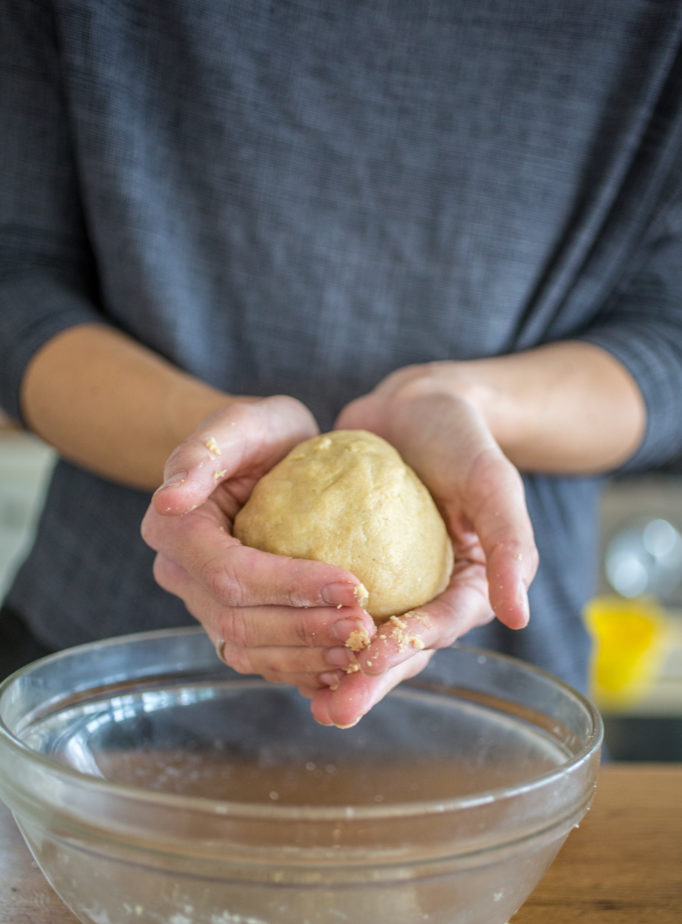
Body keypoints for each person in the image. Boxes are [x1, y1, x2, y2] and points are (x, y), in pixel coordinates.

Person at [1, 2, 681, 728]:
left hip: (493, 708)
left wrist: (469, 404)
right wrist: (195, 448)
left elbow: (669, 334)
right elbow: (18, 277)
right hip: (105, 679)